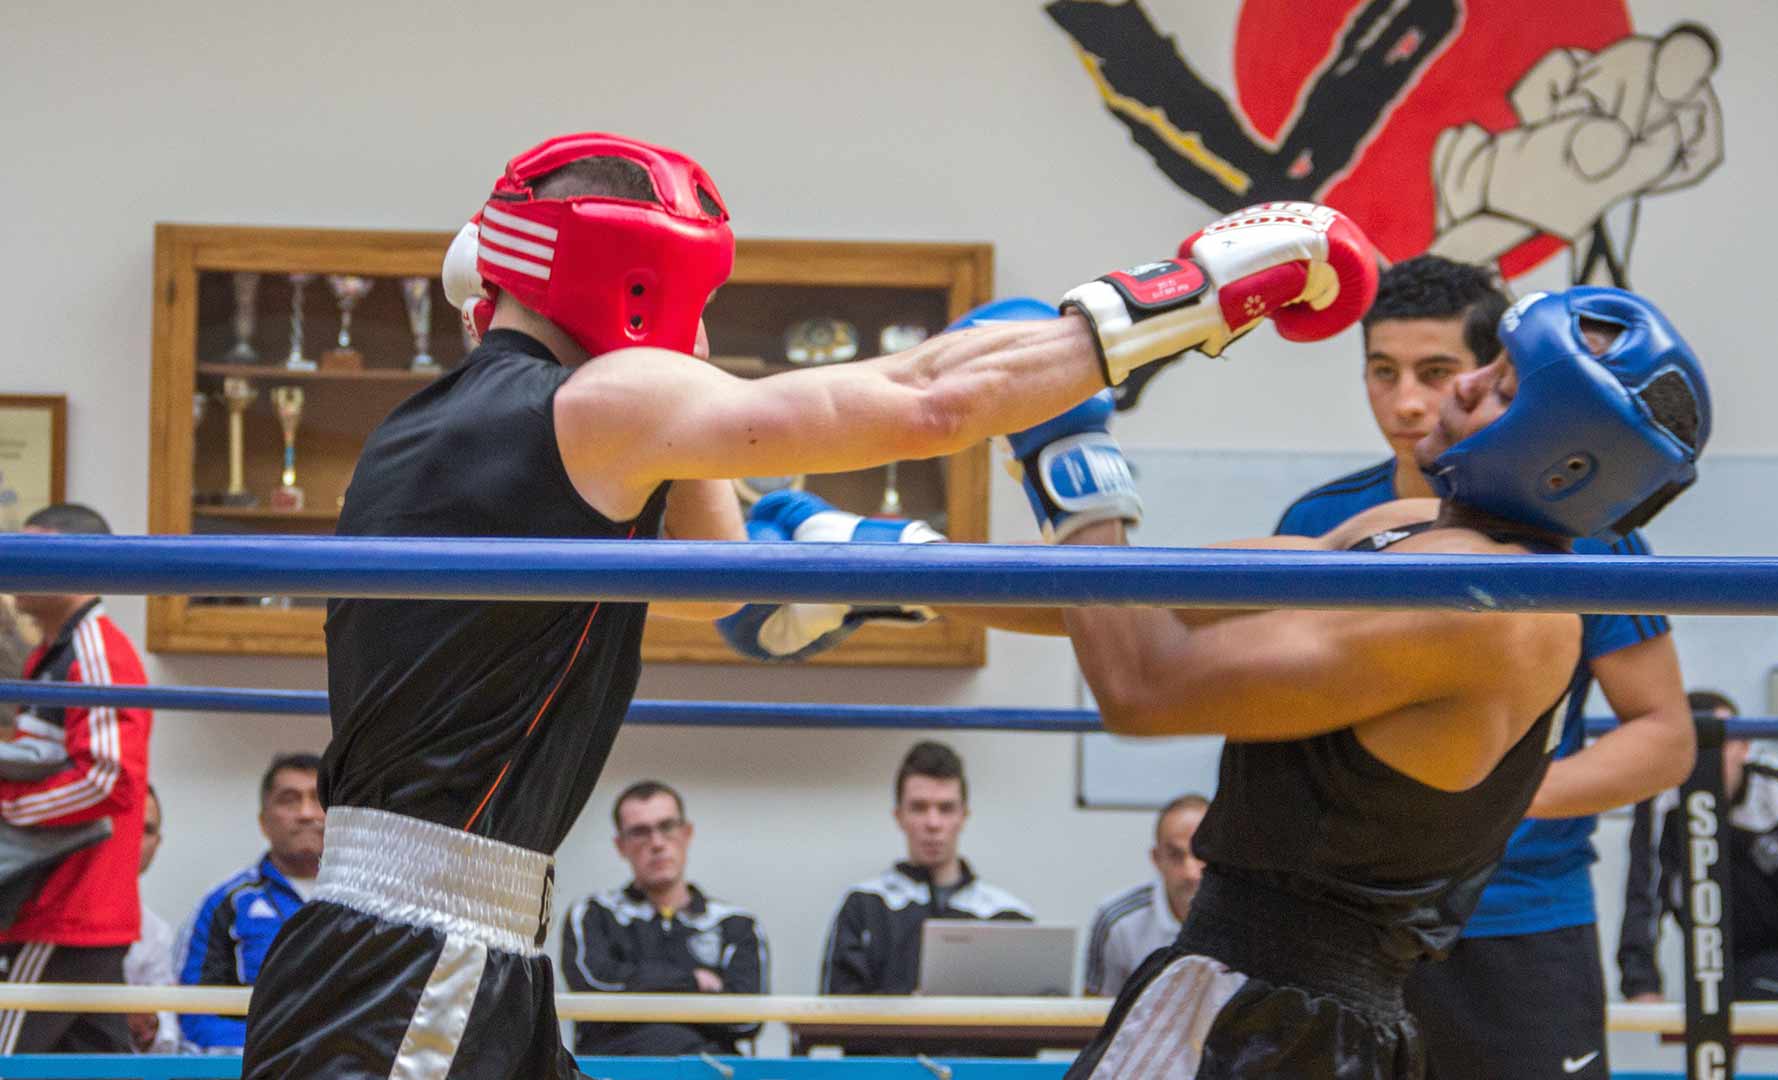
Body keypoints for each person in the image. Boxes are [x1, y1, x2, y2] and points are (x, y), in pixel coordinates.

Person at [239, 127, 1375, 1080]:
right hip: (420, 954)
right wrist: (1199, 293)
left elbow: (734, 576)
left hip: (443, 938)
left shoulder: (431, 431)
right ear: (646, 281)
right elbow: (930, 402)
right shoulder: (601, 405)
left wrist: (859, 544)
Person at [745, 284, 1710, 1077]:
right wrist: (879, 560)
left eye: (1495, 387)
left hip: (1281, 1016)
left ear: (1559, 457)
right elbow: (1142, 594)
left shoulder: (1491, 611)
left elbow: (1147, 683)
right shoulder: (1395, 534)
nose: (1454, 395)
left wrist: (1067, 449)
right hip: (1238, 987)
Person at [1272, 256, 1692, 1080]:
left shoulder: (1590, 535)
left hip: (1519, 920)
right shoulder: (1322, 521)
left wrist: (1475, 801)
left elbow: (1663, 734)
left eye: (1435, 372)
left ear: (1490, 379)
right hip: (1339, 919)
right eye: (1381, 372)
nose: (1405, 402)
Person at [1619, 691, 1778, 1071]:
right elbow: (1643, 892)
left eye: (1719, 742)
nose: (1705, 758)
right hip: (1711, 962)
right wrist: (1641, 981)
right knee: (1713, 1037)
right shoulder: (1661, 802)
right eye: (1692, 744)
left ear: (1745, 746)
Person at [0, 503, 151, 1057]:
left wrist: (10, 807)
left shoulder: (96, 650)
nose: (12, 563)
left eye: (31, 548)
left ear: (78, 561)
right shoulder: (50, 654)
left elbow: (110, 780)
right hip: (67, 907)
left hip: (65, 909)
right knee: (99, 1064)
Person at [561, 781, 765, 1057]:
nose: (656, 843)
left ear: (687, 833)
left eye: (667, 826)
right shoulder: (593, 913)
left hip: (711, 1071)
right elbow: (594, 987)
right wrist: (693, 982)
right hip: (615, 1071)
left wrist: (637, 992)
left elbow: (746, 1020)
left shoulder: (735, 924)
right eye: (639, 832)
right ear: (620, 845)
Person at [821, 740, 1032, 996]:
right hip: (885, 1039)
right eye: (919, 808)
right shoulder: (863, 906)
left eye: (946, 808)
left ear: (963, 816)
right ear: (899, 816)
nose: (933, 823)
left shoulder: (1008, 915)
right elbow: (835, 1013)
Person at [179, 754, 324, 1051]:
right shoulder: (228, 903)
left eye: (319, 799)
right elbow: (194, 1010)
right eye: (289, 800)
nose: (307, 813)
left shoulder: (372, 901)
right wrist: (267, 1055)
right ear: (263, 821)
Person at [1084, 793, 1207, 997]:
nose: (1191, 872)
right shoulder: (1117, 920)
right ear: (1156, 859)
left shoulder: (1250, 919)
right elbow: (1094, 1016)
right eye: (1175, 855)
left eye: (1202, 853)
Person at [126, 785, 181, 1055]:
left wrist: (148, 1025)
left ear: (158, 843)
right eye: (127, 823)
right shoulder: (41, 910)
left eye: (147, 830)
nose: (135, 837)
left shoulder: (156, 931)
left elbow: (166, 1047)